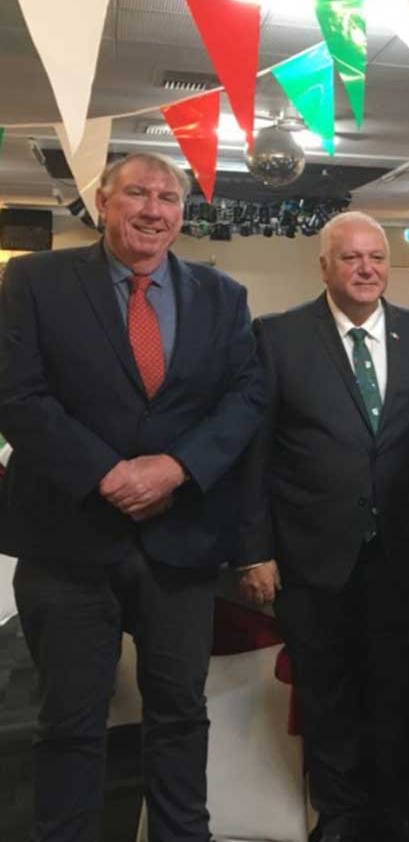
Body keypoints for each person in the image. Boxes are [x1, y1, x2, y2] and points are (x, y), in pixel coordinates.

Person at [0, 151, 268, 842]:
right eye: (137, 194)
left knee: (181, 717)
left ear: (183, 212)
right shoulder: (34, 280)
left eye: (168, 197)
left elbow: (246, 399)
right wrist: (107, 473)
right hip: (68, 542)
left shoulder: (223, 295)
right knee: (70, 725)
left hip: (180, 544)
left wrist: (176, 468)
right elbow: (17, 395)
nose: (153, 209)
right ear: (102, 201)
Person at [235, 211, 409, 842]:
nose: (366, 269)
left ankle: (397, 810)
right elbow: (254, 452)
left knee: (401, 691)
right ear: (325, 266)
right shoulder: (277, 336)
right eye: (351, 258)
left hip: (403, 555)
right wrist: (254, 550)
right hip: (312, 553)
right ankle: (338, 813)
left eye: (376, 257)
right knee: (326, 690)